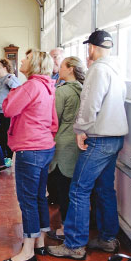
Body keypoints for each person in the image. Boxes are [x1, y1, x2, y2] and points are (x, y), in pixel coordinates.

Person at [47, 30, 128, 260]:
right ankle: (107, 238)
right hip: (116, 137)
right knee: (104, 190)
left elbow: (90, 103)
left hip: (99, 138)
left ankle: (74, 244)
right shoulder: (117, 70)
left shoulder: (98, 70)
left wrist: (80, 129)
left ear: (91, 48)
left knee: (78, 190)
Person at [1, 50, 57, 261]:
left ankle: (27, 251)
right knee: (39, 197)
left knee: (28, 201)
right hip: (44, 147)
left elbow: (8, 109)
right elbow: (53, 121)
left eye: (25, 59)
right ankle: (40, 240)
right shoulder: (47, 86)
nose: (21, 61)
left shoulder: (31, 86)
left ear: (33, 64)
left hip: (30, 149)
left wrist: (14, 92)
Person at [46, 56, 86, 240]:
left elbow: (54, 119)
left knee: (63, 188)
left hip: (63, 143)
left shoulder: (62, 92)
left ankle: (65, 228)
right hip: (79, 142)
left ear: (70, 69)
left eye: (61, 66)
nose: (58, 69)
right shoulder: (84, 89)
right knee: (74, 188)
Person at [0, 58, 21, 167]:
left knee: (6, 135)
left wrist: (10, 82)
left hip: (6, 113)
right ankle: (0, 157)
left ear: (5, 67)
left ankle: (8, 158)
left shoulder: (10, 78)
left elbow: (18, 91)